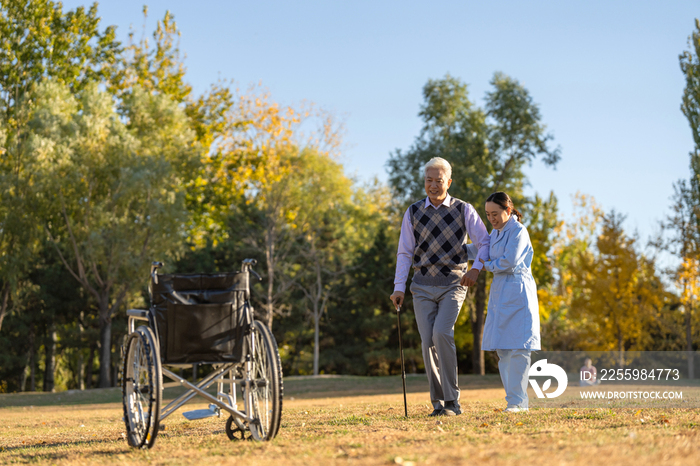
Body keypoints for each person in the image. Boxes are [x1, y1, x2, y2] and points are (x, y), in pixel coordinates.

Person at [390, 157, 490, 417]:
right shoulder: (413, 212)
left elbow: (484, 242)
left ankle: (452, 402)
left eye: (439, 181)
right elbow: (404, 253)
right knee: (427, 342)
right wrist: (399, 287)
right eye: (429, 180)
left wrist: (476, 268)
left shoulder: (463, 210)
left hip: (453, 283)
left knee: (441, 334)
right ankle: (438, 403)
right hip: (422, 285)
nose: (433, 186)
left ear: (449, 182)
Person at [468, 192, 540, 413]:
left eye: (496, 214)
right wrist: (460, 250)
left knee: (518, 349)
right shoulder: (496, 232)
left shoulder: (518, 231)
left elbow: (508, 262)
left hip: (518, 292)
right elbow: (483, 248)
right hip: (501, 293)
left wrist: (484, 265)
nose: (492, 218)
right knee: (503, 350)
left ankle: (519, 402)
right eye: (488, 214)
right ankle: (514, 401)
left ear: (508, 210)